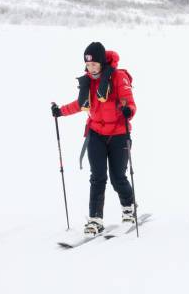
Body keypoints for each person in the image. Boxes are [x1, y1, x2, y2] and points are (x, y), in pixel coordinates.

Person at [51, 42, 137, 236]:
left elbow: (130, 103)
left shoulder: (118, 77)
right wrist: (60, 112)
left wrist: (127, 111)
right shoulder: (89, 81)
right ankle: (95, 219)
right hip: (96, 134)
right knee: (97, 177)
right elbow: (80, 104)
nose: (91, 68)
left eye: (94, 64)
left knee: (117, 177)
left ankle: (129, 209)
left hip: (118, 135)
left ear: (102, 63)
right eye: (88, 65)